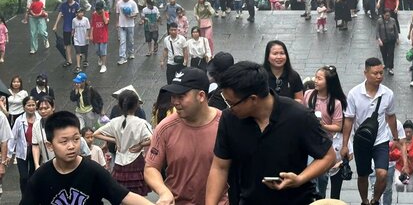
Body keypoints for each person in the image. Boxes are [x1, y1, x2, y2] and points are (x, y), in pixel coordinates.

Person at [205, 62, 335, 205]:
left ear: (253, 99)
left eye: (231, 103)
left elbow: (328, 157)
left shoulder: (299, 116)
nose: (229, 108)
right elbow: (220, 167)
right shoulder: (229, 119)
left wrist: (300, 179)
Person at [21, 111, 152, 205]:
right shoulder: (41, 176)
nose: (71, 146)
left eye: (76, 139)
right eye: (64, 141)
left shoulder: (93, 170)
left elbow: (125, 196)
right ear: (50, 145)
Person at [144, 67, 225, 205]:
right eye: (173, 96)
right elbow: (151, 168)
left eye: (181, 97)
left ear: (201, 96)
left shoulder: (225, 125)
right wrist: (163, 192)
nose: (175, 102)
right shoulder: (165, 127)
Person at [340, 57, 406, 205]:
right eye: (375, 73)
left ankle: (375, 200)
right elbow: (349, 120)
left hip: (380, 140)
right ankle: (364, 201)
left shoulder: (387, 94)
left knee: (382, 173)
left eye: (381, 73)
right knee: (363, 175)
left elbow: (391, 116)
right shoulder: (354, 94)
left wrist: (395, 139)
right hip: (361, 141)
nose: (379, 76)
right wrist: (345, 144)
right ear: (365, 73)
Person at [94, 90, 153, 196]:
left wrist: (116, 140)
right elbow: (153, 139)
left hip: (120, 162)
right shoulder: (141, 123)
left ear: (120, 105)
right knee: (137, 195)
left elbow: (96, 134)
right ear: (136, 105)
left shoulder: (114, 122)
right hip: (136, 161)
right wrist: (140, 145)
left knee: (121, 194)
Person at [304, 66, 347, 200]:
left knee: (322, 177)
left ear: (328, 82)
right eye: (315, 77)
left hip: (324, 143)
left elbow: (338, 126)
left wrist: (323, 125)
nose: (315, 81)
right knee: (310, 173)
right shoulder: (309, 95)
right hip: (307, 141)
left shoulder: (336, 103)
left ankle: (320, 198)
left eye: (319, 78)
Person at [9, 95, 37, 194]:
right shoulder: (19, 120)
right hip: (22, 151)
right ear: (24, 107)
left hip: (36, 151)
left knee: (34, 175)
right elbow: (13, 137)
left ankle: (32, 195)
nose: (31, 107)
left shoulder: (39, 118)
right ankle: (24, 196)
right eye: (29, 105)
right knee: (24, 176)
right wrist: (9, 153)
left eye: (33, 105)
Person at [391, 120, 413, 193]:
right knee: (399, 184)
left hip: (412, 170)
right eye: (406, 132)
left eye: (410, 132)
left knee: (410, 190)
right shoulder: (398, 141)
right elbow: (392, 153)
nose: (408, 134)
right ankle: (399, 197)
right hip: (399, 168)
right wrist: (401, 154)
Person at [53, 0, 80, 68]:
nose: (68, 0)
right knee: (67, 44)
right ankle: (69, 60)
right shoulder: (63, 5)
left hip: (74, 27)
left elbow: (77, 17)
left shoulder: (76, 5)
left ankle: (79, 54)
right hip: (66, 27)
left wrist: (75, 28)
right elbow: (60, 14)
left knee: (75, 43)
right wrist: (55, 25)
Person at [31, 96, 55, 170]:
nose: (43, 111)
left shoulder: (62, 122)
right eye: (40, 109)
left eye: (46, 108)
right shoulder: (36, 125)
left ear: (53, 108)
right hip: (46, 163)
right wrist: (37, 164)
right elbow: (35, 145)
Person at [116, 0, 138, 65]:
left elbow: (136, 13)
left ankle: (131, 52)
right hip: (122, 25)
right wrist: (117, 22)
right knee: (122, 41)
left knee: (130, 40)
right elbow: (117, 13)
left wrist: (131, 16)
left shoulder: (132, 3)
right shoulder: (119, 3)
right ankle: (122, 57)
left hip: (130, 25)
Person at [376, 9, 400, 75]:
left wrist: (397, 38)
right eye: (386, 15)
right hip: (383, 40)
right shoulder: (379, 21)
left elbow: (396, 30)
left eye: (389, 15)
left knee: (391, 54)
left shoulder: (392, 20)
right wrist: (379, 39)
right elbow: (377, 31)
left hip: (391, 40)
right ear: (383, 15)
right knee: (384, 53)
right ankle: (386, 64)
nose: (388, 17)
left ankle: (390, 67)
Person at [90, 1, 109, 73]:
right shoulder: (94, 14)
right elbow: (92, 25)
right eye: (97, 9)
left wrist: (103, 13)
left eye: (99, 10)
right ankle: (100, 58)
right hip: (96, 35)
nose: (98, 11)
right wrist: (91, 35)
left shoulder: (106, 14)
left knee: (102, 50)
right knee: (97, 50)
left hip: (103, 35)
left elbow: (106, 22)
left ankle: (103, 65)